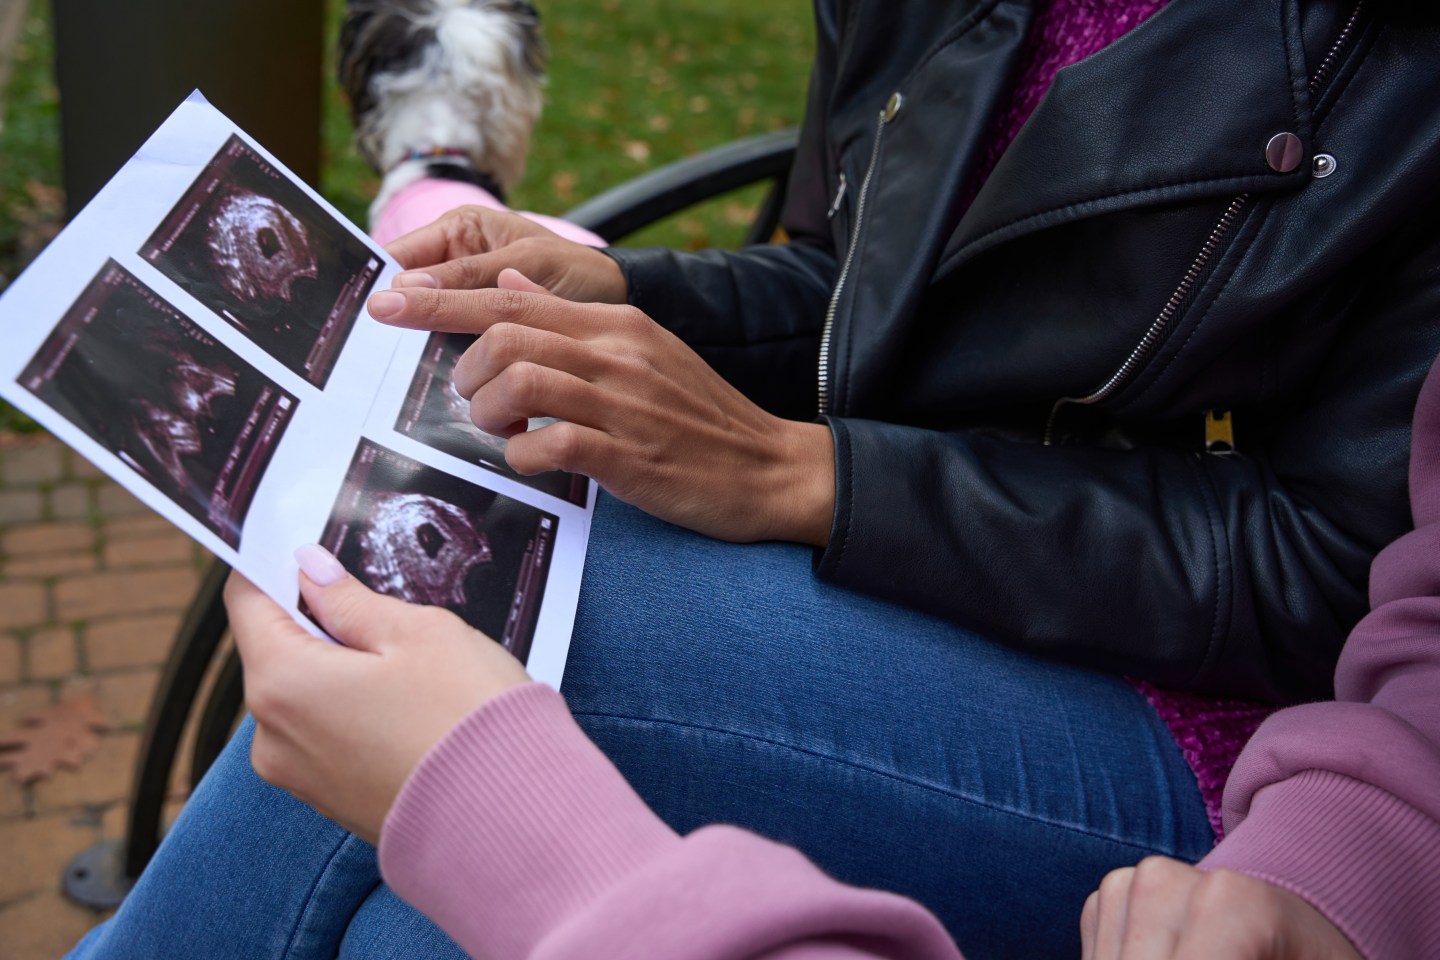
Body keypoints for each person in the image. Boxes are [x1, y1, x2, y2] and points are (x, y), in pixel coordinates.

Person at [66, 0, 1440, 956]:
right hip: (937, 578)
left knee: (502, 619)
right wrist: (627, 298)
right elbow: (868, 283)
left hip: (1238, 746)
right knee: (407, 935)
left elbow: (1333, 572)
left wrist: (804, 476)